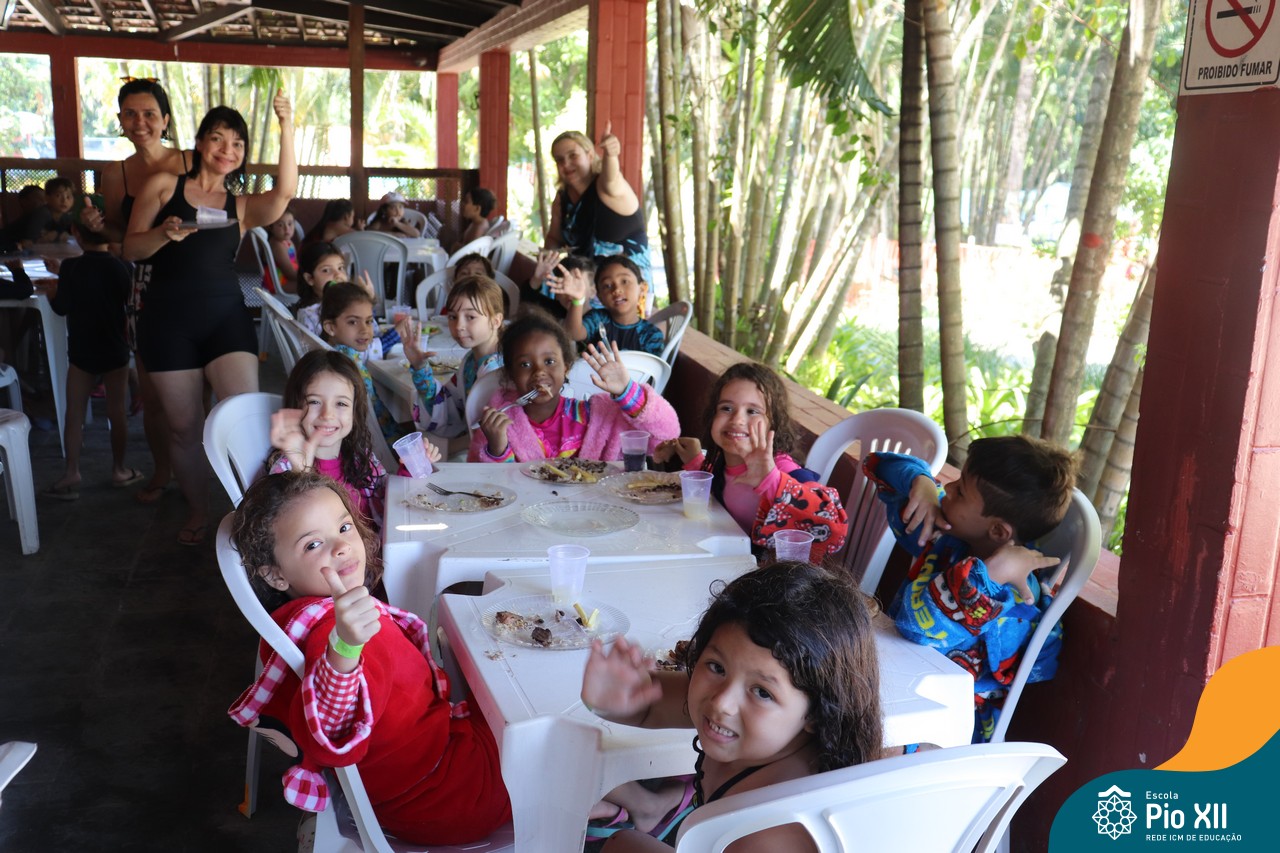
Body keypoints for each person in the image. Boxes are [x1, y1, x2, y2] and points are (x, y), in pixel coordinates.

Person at [228, 471, 510, 845]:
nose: (341, 546)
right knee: (545, 720)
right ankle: (584, 815)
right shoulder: (331, 631)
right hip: (451, 798)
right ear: (276, 575)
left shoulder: (314, 615)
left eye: (344, 527)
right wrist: (345, 647)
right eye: (313, 544)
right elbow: (330, 732)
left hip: (433, 778)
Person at [579, 561, 883, 851]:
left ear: (817, 714)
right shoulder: (748, 712)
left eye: (762, 692)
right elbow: (648, 706)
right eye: (717, 667)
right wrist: (605, 702)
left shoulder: (772, 831)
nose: (722, 702)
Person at [122, 91, 296, 546]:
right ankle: (199, 511)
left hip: (225, 321)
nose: (227, 149)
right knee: (184, 427)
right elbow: (131, 248)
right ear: (200, 143)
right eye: (218, 138)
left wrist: (286, 126)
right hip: (167, 323)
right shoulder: (164, 186)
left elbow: (283, 194)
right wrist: (164, 233)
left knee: (244, 417)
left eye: (237, 144)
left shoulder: (240, 206)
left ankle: (257, 514)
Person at [863, 434, 1076, 743]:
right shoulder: (952, 537)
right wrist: (920, 482)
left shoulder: (1015, 599)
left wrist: (990, 575)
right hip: (891, 682)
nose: (947, 489)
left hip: (937, 729)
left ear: (998, 531)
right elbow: (881, 464)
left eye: (960, 491)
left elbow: (916, 627)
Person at [85, 78, 194, 505]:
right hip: (145, 286)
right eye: (130, 114)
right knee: (152, 392)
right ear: (120, 120)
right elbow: (122, 233)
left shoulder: (190, 162)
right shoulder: (116, 173)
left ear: (165, 120)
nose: (140, 122)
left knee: (195, 392)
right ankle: (163, 472)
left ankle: (200, 474)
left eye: (149, 113)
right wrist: (99, 228)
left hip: (193, 282)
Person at [654, 362, 848, 563]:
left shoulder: (782, 469)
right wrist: (695, 462)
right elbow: (724, 491)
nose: (737, 419)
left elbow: (834, 528)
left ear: (773, 423)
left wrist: (771, 481)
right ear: (712, 416)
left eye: (752, 411)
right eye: (726, 408)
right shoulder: (721, 463)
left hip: (767, 577)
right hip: (729, 560)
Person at [468, 309, 679, 463]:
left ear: (566, 367)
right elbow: (485, 487)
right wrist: (497, 450)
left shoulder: (599, 415)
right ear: (511, 374)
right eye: (525, 364)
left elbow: (666, 438)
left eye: (550, 361)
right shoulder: (499, 422)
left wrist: (628, 392)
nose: (539, 371)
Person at [36, 195, 142, 500]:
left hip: (82, 351)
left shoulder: (70, 267)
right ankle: (119, 469)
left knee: (74, 412)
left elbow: (61, 308)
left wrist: (54, 291)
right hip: (115, 349)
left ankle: (71, 472)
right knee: (116, 412)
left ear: (76, 233)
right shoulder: (123, 267)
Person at [267, 350, 438, 532]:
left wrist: (410, 468)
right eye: (314, 402)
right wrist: (301, 473)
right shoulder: (287, 469)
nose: (327, 414)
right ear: (295, 405)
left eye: (341, 404)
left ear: (354, 413)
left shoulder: (360, 458)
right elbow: (283, 529)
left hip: (382, 545)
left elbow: (387, 500)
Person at [544, 123, 650, 282]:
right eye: (559, 160)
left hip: (627, 287)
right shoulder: (562, 198)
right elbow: (554, 239)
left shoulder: (606, 187)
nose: (566, 164)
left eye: (573, 156)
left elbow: (611, 178)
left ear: (590, 155)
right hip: (584, 286)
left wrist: (611, 155)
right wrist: (547, 263)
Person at [409, 275, 504, 438]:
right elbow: (450, 405)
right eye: (453, 317)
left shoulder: (498, 371)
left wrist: (447, 448)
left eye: (470, 317)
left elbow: (488, 436)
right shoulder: (470, 361)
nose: (459, 326)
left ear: (496, 320)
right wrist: (420, 367)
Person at [320, 282, 407, 444]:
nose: (364, 330)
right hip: (379, 441)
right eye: (353, 322)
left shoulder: (336, 353)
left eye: (368, 321)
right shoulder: (347, 364)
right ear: (330, 327)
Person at [556, 254, 664, 356]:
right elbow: (573, 334)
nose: (617, 289)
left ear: (642, 289)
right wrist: (578, 299)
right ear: (600, 296)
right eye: (607, 285)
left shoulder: (652, 335)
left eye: (624, 281)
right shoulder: (597, 320)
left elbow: (651, 369)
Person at [292, 241, 376, 339]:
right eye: (326, 270)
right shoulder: (309, 315)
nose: (338, 275)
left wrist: (365, 301)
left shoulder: (347, 303)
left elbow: (373, 332)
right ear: (309, 278)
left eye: (340, 268)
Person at [263, 207, 298, 293]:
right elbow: (290, 273)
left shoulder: (288, 242)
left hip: (289, 279)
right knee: (313, 286)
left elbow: (295, 263)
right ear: (271, 227)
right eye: (280, 225)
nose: (287, 229)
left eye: (290, 224)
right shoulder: (277, 245)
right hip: (280, 284)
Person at [0, 185, 46, 249]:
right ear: (24, 201)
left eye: (45, 199)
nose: (44, 203)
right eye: (39, 199)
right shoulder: (17, 228)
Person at [450, 187, 495, 253]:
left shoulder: (479, 228)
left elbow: (471, 252)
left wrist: (456, 247)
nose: (462, 204)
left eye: (466, 202)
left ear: (477, 208)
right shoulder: (475, 223)